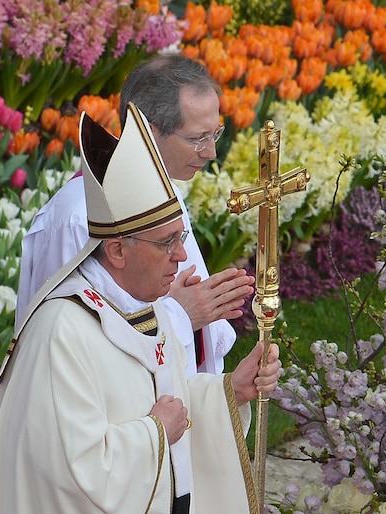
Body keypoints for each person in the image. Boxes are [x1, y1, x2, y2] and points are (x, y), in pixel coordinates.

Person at [0, 104, 280, 514]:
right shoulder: (62, 331)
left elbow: (166, 397)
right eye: (167, 243)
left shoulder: (149, 304)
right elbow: (68, 470)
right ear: (117, 250)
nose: (181, 257)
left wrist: (230, 392)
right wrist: (155, 434)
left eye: (180, 237)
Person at [16, 53, 254, 377]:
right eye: (198, 138)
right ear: (148, 131)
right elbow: (68, 343)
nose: (211, 153)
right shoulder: (76, 220)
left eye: (215, 134)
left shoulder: (162, 188)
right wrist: (181, 317)